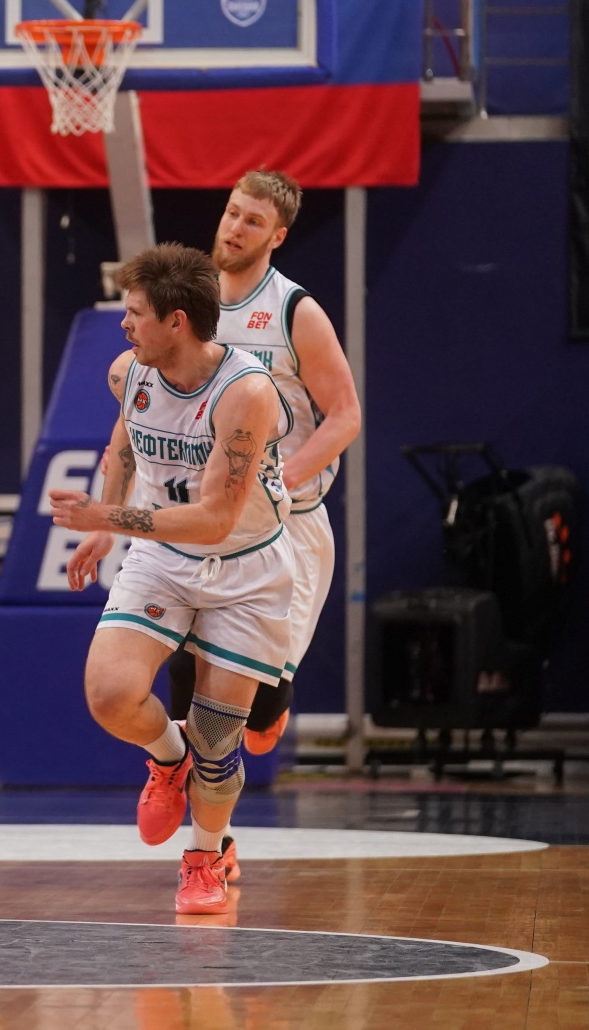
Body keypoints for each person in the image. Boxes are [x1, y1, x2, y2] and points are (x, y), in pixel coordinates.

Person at [47, 242, 292, 916]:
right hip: (163, 557)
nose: (124, 324)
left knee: (220, 738)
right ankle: (166, 755)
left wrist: (108, 516)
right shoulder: (129, 371)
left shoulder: (245, 394)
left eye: (135, 313)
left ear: (176, 321)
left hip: (245, 567)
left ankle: (204, 858)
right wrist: (106, 523)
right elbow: (127, 436)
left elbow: (215, 520)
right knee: (109, 694)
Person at [165, 170, 362, 881]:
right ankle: (210, 847)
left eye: (252, 220)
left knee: (254, 710)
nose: (233, 227)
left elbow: (345, 415)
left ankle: (269, 708)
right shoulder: (192, 302)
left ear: (276, 235)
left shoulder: (294, 311)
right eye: (230, 212)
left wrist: (287, 476)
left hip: (287, 531)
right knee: (191, 686)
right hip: (209, 525)